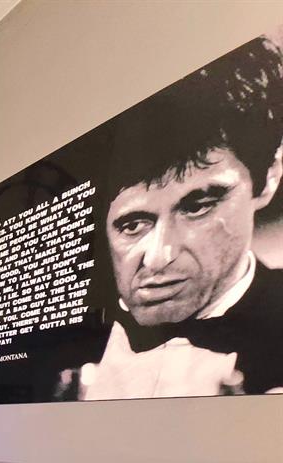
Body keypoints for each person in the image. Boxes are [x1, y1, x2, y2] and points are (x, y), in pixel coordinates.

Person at [75, 35, 283, 399]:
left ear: (268, 178)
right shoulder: (59, 342)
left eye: (197, 206)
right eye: (132, 224)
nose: (159, 257)